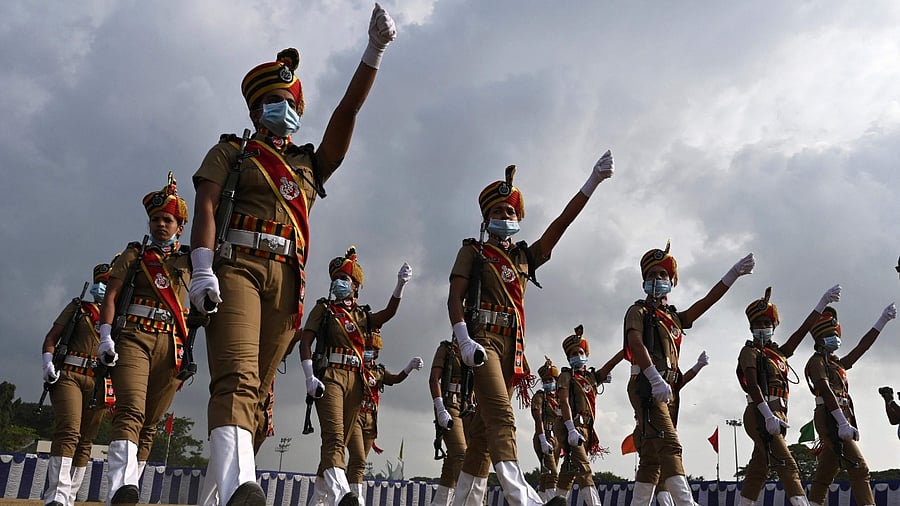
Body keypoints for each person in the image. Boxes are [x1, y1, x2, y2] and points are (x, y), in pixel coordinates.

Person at [187, 4, 396, 504]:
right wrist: (200, 268)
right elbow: (207, 207)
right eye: (277, 100)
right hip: (237, 268)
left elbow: (345, 116)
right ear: (257, 110)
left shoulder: (307, 165)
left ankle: (217, 495)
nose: (288, 109)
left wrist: (373, 52)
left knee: (256, 394)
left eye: (293, 101)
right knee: (236, 377)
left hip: (287, 280)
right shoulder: (231, 153)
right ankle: (242, 486)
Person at [448, 151, 615, 506]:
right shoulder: (474, 253)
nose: (504, 216)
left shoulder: (524, 257)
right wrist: (463, 339)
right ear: (486, 217)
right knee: (503, 418)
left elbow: (561, 224)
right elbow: (454, 298)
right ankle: (524, 500)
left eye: (510, 212)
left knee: (480, 436)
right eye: (497, 211)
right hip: (482, 343)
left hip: (513, 348)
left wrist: (592, 182)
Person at [624, 241, 754, 506]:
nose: (657, 279)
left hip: (668, 389)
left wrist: (732, 275)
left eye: (662, 274)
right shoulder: (637, 311)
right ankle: (687, 503)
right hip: (647, 385)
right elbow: (635, 344)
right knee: (671, 446)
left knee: (650, 458)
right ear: (643, 282)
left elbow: (706, 301)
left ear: (671, 281)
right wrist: (654, 377)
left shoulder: (673, 318)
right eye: (651, 275)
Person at [98, 175, 192, 504]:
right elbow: (111, 296)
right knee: (130, 411)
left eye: (168, 220)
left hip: (172, 345)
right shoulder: (135, 255)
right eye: (155, 219)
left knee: (150, 424)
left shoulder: (191, 261)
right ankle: (121, 487)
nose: (160, 225)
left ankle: (128, 490)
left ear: (180, 226)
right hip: (133, 336)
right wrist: (105, 335)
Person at [299, 247, 410, 505]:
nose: (339, 283)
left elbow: (387, 314)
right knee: (335, 438)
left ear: (356, 287)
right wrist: (308, 376)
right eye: (336, 278)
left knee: (339, 442)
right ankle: (342, 498)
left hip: (356, 381)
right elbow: (306, 342)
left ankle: (318, 499)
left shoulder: (361, 316)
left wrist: (400, 285)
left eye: (345, 279)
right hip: (330, 377)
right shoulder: (323, 309)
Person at [735, 285, 841, 506]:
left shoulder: (778, 354)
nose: (763, 327)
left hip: (778, 414)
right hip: (759, 412)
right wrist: (766, 414)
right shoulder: (749, 352)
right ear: (751, 328)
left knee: (759, 470)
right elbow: (753, 386)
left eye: (767, 323)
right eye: (758, 324)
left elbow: (802, 331)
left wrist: (821, 303)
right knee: (787, 464)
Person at [804, 301, 896, 506]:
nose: (836, 339)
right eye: (830, 335)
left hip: (841, 416)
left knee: (826, 472)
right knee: (859, 468)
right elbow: (825, 390)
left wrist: (882, 321)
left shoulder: (836, 364)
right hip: (830, 416)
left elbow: (862, 347)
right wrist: (842, 422)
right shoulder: (817, 361)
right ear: (819, 339)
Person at [40, 262, 112, 506]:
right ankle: (57, 495)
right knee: (69, 430)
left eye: (108, 282)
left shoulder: (122, 315)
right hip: (70, 373)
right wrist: (48, 363)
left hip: (100, 380)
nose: (103, 286)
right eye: (100, 281)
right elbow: (52, 338)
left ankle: (70, 497)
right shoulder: (79, 307)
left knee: (86, 440)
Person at [346, 328, 423, 501]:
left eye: (373, 349)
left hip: (370, 420)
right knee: (358, 459)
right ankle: (356, 499)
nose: (370, 352)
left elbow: (395, 379)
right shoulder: (352, 368)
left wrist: (409, 367)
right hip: (354, 416)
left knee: (359, 463)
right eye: (367, 348)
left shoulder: (378, 371)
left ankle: (348, 497)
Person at [556, 326, 622, 506]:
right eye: (573, 353)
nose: (577, 355)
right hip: (573, 427)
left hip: (587, 429)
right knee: (584, 469)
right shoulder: (565, 376)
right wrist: (570, 429)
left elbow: (611, 364)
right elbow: (564, 402)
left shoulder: (591, 377)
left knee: (568, 471)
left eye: (580, 351)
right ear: (568, 358)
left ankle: (554, 502)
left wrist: (627, 349)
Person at [650, 350, 708, 506]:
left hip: (665, 431)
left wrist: (698, 365)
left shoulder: (670, 389)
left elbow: (684, 379)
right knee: (655, 469)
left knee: (656, 471)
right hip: (652, 431)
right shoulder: (652, 385)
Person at [430, 338, 474, 506]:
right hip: (450, 403)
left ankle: (440, 503)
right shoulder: (447, 349)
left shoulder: (474, 349)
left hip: (467, 406)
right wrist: (440, 408)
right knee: (460, 455)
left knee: (453, 461)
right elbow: (434, 379)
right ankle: (467, 502)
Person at [530, 357, 561, 503]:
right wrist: (542, 439)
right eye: (546, 380)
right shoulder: (540, 397)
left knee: (545, 475)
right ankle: (552, 501)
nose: (549, 383)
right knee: (553, 474)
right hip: (545, 436)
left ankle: (540, 502)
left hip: (557, 439)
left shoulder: (560, 398)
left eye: (551, 380)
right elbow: (538, 418)